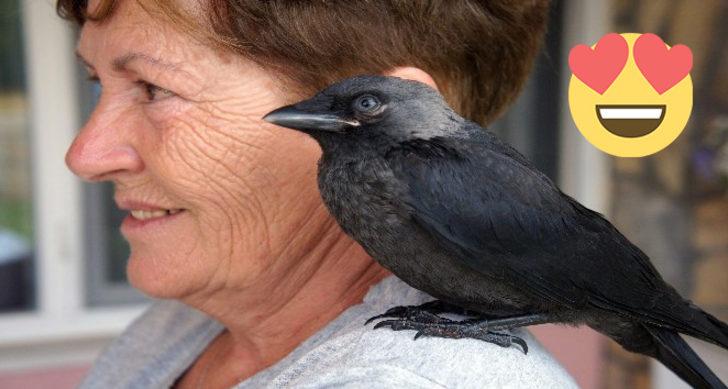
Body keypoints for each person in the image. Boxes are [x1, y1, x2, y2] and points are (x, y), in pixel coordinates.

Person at [59, 0, 576, 387]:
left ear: (376, 118)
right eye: (96, 82)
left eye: (154, 88)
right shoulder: (184, 326)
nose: (85, 155)